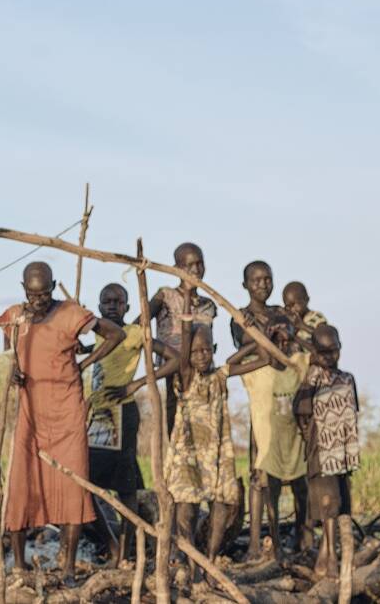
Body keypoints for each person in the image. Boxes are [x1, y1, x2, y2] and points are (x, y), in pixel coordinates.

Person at [0, 262, 126, 579]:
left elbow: (116, 334)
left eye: (43, 294)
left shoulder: (71, 313)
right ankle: (19, 564)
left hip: (68, 412)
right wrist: (13, 368)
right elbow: (9, 348)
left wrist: (86, 361)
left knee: (72, 487)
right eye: (32, 293)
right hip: (31, 411)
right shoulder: (16, 316)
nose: (37, 300)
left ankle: (67, 566)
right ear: (24, 288)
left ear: (53, 287)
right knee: (20, 483)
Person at [227, 316, 310, 565]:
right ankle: (275, 544)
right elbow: (229, 365)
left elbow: (317, 352)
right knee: (270, 497)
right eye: (277, 341)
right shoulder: (257, 371)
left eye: (286, 342)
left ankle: (302, 537)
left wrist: (293, 335)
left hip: (295, 444)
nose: (282, 346)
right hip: (269, 446)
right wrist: (260, 340)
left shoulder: (297, 366)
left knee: (301, 491)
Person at [81, 283, 148, 568]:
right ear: (99, 307)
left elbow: (171, 357)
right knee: (86, 485)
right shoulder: (100, 333)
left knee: (125, 487)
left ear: (127, 307)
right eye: (106, 301)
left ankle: (125, 551)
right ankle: (111, 542)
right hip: (98, 418)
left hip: (122, 415)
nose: (111, 305)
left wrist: (136, 383)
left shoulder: (134, 333)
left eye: (117, 301)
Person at [158, 325, 239, 560]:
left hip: (218, 449)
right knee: (185, 505)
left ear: (213, 349)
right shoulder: (186, 375)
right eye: (194, 352)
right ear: (187, 354)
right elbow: (184, 335)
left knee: (221, 500)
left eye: (206, 350)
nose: (201, 356)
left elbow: (264, 357)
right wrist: (186, 296)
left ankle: (211, 558)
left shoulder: (221, 376)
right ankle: (188, 559)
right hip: (188, 450)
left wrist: (258, 338)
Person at [295, 325, 361, 577]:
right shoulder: (313, 377)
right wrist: (309, 437)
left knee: (340, 503)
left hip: (343, 453)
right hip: (322, 451)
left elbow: (351, 413)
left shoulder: (347, 378)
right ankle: (330, 556)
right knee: (328, 504)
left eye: (334, 351)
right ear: (315, 353)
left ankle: (328, 554)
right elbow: (300, 411)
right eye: (324, 353)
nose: (330, 357)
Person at [149, 242, 216, 430]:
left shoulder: (208, 304)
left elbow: (208, 338)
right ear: (177, 269)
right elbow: (141, 325)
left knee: (204, 425)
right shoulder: (165, 296)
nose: (196, 269)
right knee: (177, 423)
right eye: (189, 265)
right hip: (174, 370)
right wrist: (164, 352)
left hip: (202, 371)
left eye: (199, 263)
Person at [282, 281, 329, 346]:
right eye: (288, 306)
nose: (292, 309)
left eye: (295, 304)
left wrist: (303, 326)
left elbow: (325, 336)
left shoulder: (316, 317)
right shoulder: (290, 321)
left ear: (306, 299)